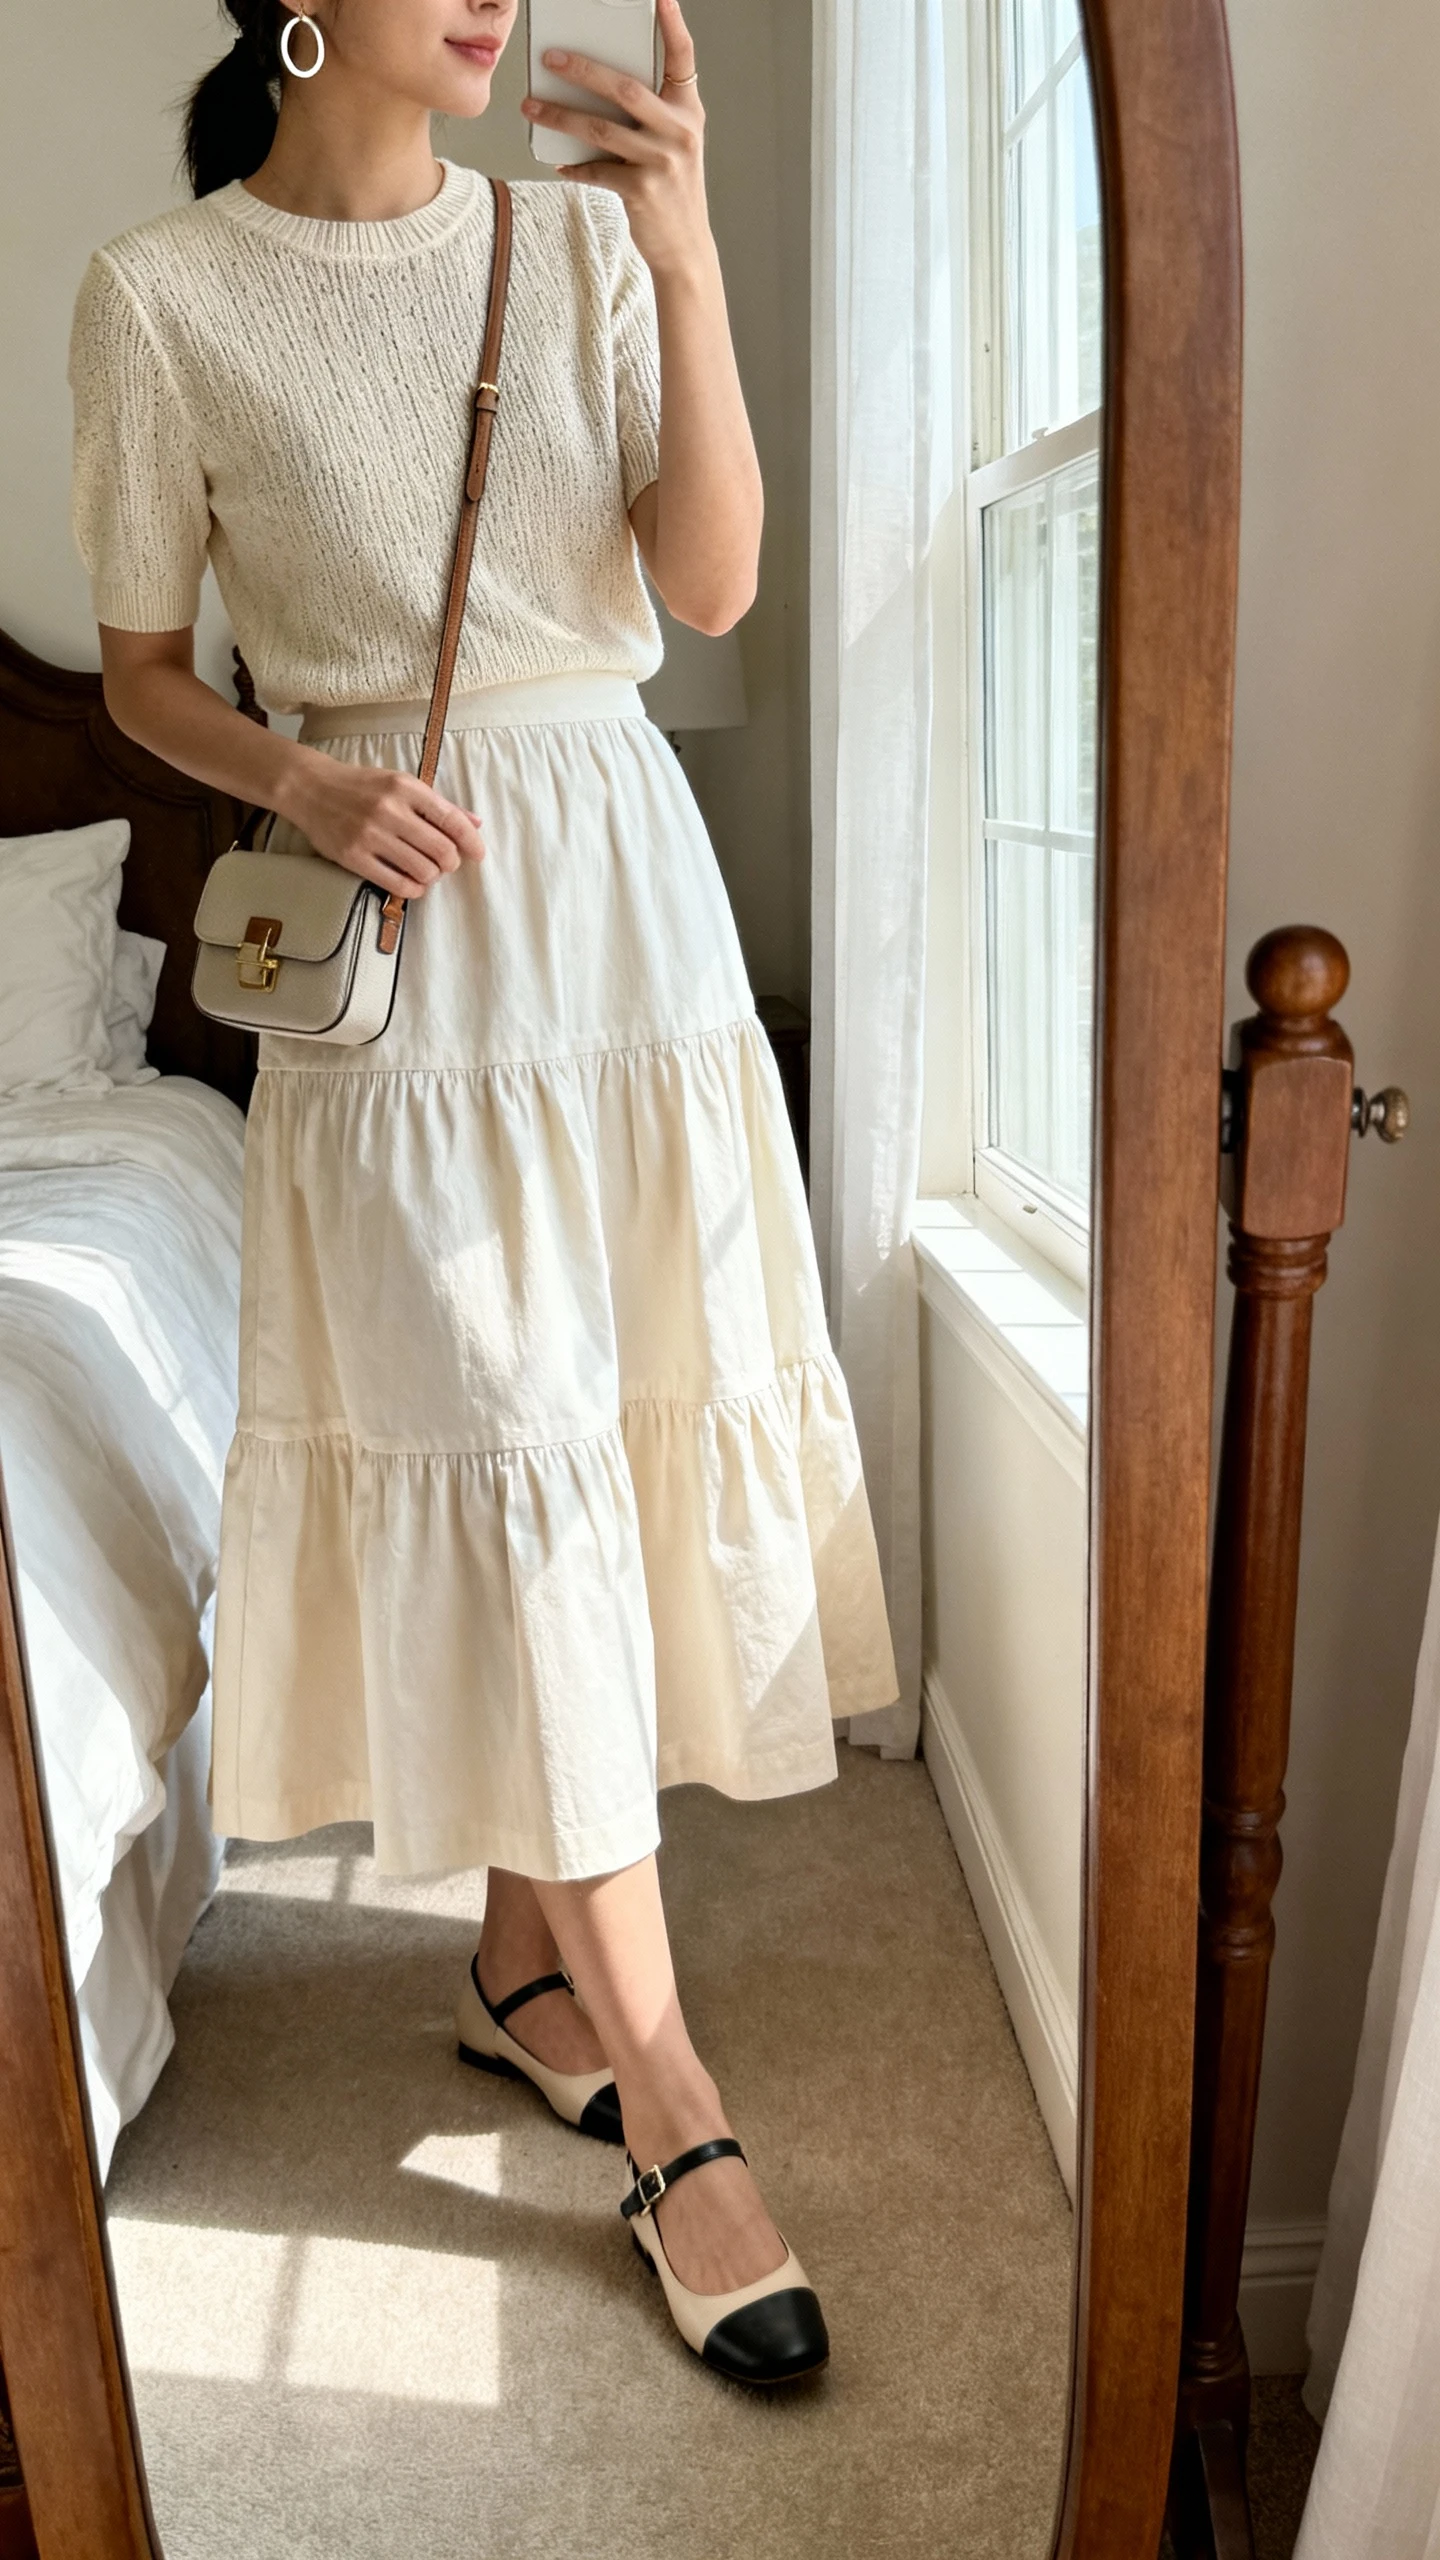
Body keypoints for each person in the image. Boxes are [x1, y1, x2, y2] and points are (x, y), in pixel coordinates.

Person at [69, 0, 898, 2386]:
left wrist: (695, 253)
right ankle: (675, 2098)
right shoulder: (161, 294)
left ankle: (528, 1965)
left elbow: (713, 587)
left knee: (616, 1437)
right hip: (400, 943)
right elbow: (133, 671)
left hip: (621, 909)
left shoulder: (582, 248)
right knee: (521, 1454)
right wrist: (304, 786)